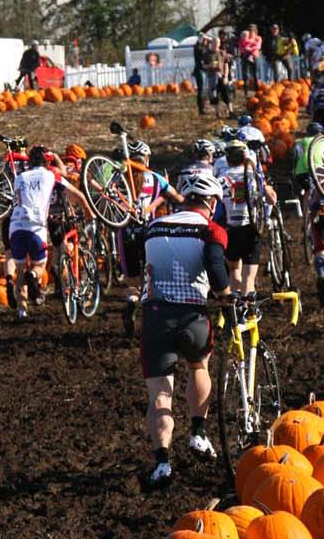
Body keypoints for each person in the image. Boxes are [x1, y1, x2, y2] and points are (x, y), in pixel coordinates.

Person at [140, 172, 231, 486]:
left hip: (155, 315)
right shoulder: (211, 229)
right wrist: (227, 297)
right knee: (199, 366)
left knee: (160, 394)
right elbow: (216, 266)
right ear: (213, 202)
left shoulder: (154, 226)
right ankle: (198, 433)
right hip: (192, 315)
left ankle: (162, 462)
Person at [7, 144, 93, 319]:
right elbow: (77, 194)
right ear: (46, 161)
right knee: (38, 266)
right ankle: (34, 275)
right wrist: (89, 212)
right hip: (36, 226)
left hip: (15, 226)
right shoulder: (50, 175)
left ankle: (22, 310)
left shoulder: (19, 177)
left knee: (20, 269)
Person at [119, 141, 184, 337]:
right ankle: (152, 318)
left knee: (132, 283)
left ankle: (132, 303)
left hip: (126, 232)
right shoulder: (156, 178)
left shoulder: (120, 179)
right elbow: (178, 198)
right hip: (150, 233)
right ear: (146, 159)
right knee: (153, 278)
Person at [220, 139, 277, 294]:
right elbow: (272, 199)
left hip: (231, 229)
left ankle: (237, 308)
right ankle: (248, 309)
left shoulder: (221, 178)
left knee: (234, 270)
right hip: (251, 228)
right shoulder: (254, 176)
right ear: (245, 156)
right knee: (249, 278)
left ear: (227, 159)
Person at [192, 34, 209, 116]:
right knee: (201, 89)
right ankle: (201, 108)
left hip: (205, 70)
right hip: (199, 70)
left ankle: (204, 106)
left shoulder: (205, 47)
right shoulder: (197, 47)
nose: (206, 41)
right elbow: (200, 53)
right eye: (204, 40)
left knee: (204, 90)